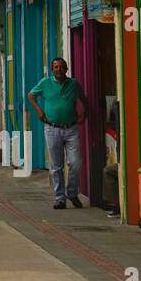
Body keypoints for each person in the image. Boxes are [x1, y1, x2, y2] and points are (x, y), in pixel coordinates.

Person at [28, 56, 88, 210]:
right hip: (52, 128)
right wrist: (39, 111)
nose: (59, 70)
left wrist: (84, 113)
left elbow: (84, 99)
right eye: (56, 67)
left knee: (75, 162)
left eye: (61, 67)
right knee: (56, 166)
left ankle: (72, 193)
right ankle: (60, 198)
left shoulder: (73, 84)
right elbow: (31, 95)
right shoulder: (45, 83)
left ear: (66, 69)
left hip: (71, 129)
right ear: (52, 69)